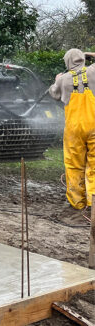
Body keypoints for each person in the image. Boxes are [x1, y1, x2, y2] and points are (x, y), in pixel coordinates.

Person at [49, 48, 95, 219]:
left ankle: (77, 202)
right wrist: (89, 55)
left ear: (67, 61)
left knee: (74, 165)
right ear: (82, 58)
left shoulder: (64, 79)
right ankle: (93, 201)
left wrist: (57, 80)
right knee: (94, 165)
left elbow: (53, 94)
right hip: (94, 126)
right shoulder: (93, 71)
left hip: (74, 129)